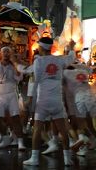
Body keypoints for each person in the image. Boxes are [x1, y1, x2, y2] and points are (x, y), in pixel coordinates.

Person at [23, 37, 76, 166]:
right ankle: (67, 159)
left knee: (37, 129)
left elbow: (35, 81)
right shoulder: (59, 60)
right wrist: (71, 47)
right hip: (57, 100)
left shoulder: (38, 61)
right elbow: (71, 58)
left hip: (43, 101)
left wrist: (30, 98)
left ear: (41, 48)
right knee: (63, 131)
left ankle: (34, 159)